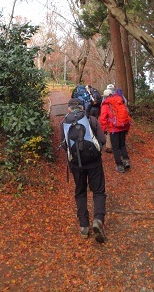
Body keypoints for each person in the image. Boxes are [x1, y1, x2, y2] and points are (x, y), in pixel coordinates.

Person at [60, 98, 107, 243]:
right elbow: (103, 139)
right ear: (81, 107)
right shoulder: (91, 119)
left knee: (80, 192)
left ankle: (84, 227)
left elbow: (64, 145)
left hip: (76, 164)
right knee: (98, 191)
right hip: (94, 162)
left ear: (69, 109)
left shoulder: (64, 123)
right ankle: (98, 219)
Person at [100, 90, 132, 173]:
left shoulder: (106, 105)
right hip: (123, 127)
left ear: (106, 96)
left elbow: (103, 118)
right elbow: (127, 115)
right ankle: (126, 160)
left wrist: (103, 130)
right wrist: (127, 128)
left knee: (115, 147)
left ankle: (120, 165)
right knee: (122, 145)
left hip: (114, 129)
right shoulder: (120, 101)